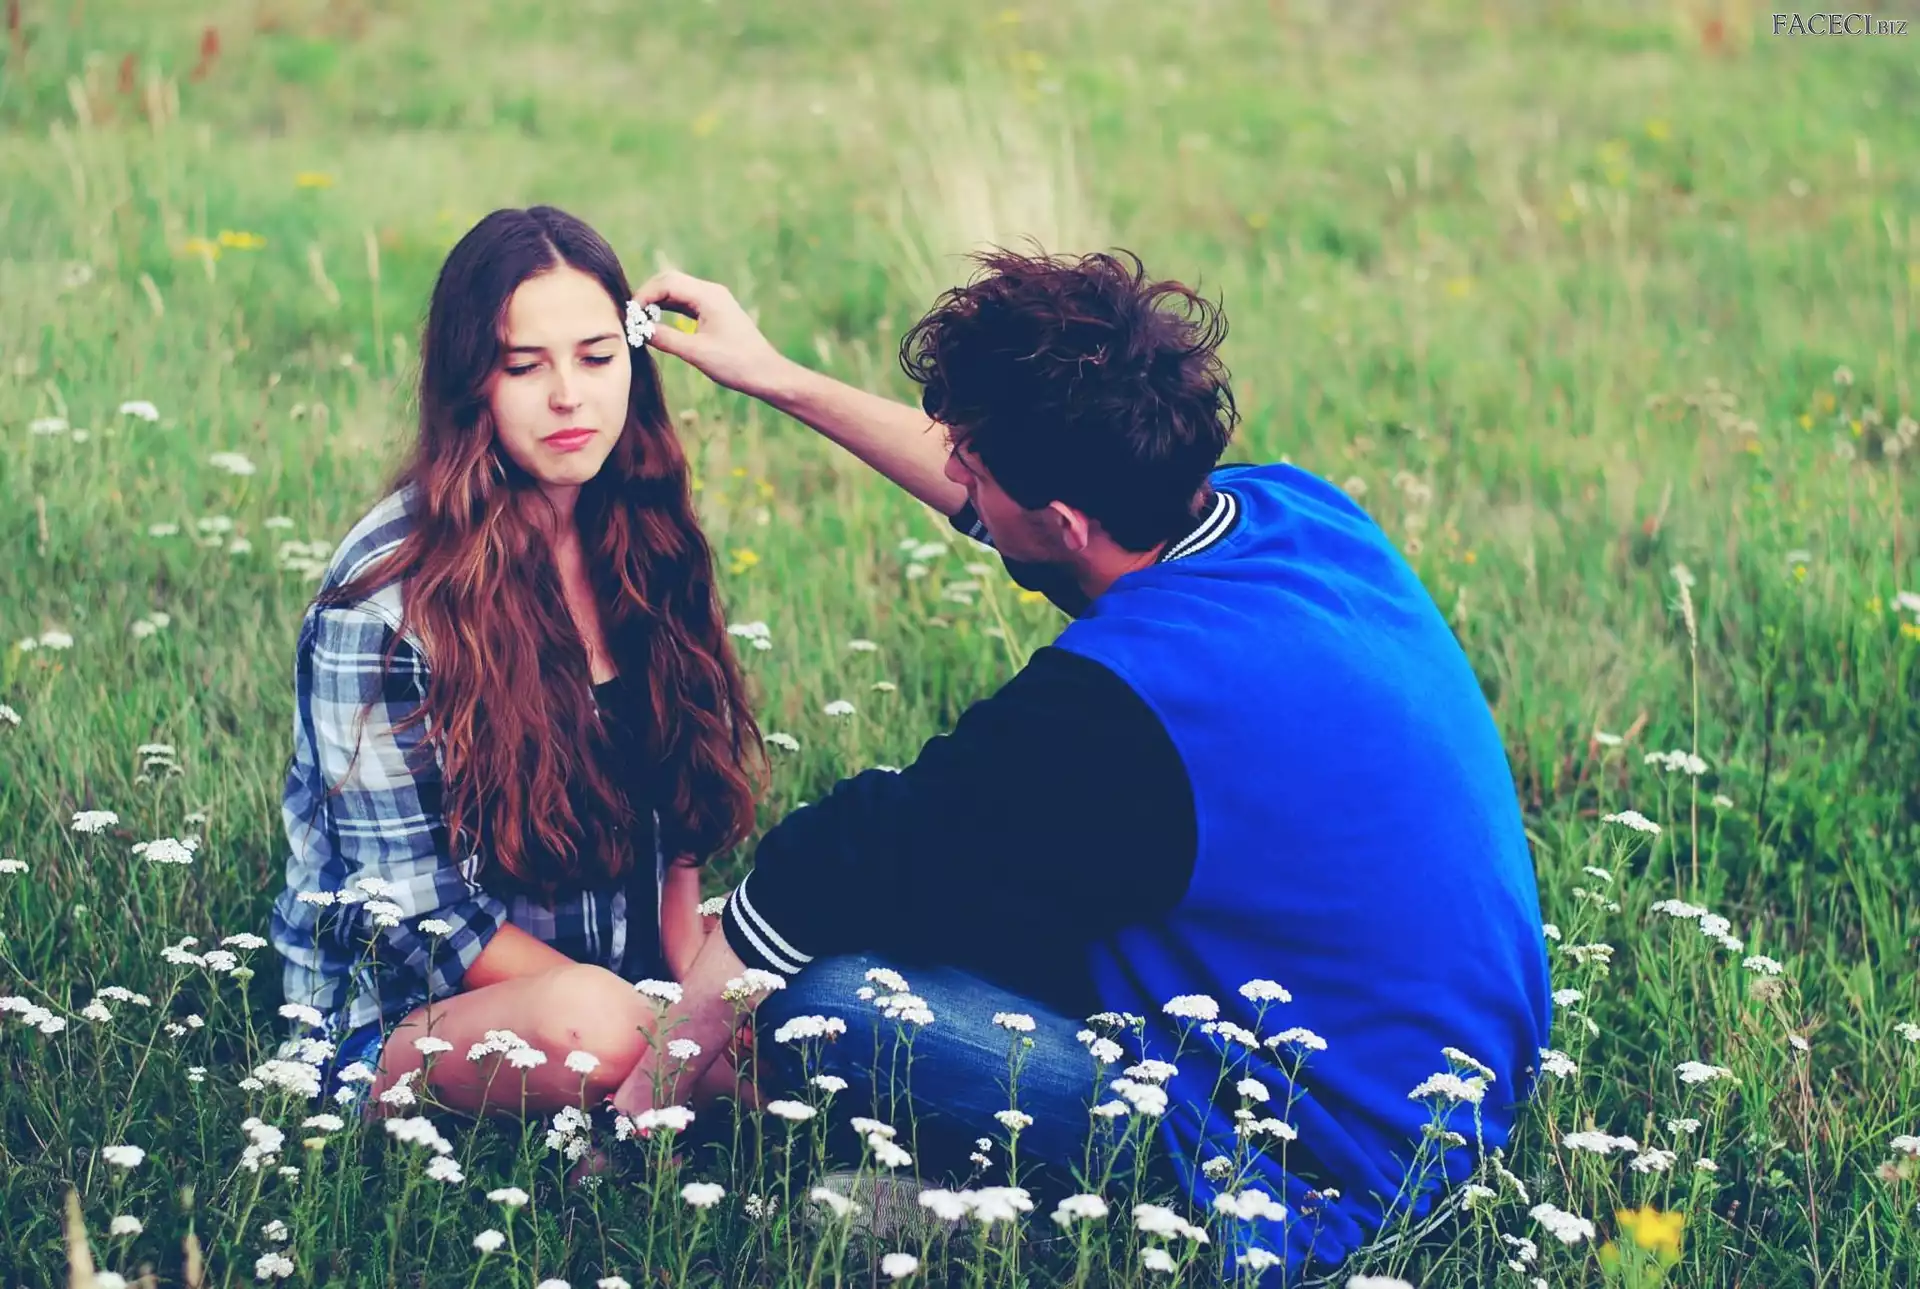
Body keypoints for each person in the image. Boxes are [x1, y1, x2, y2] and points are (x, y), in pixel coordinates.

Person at [610, 249, 1552, 1279]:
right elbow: (1025, 507)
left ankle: (1034, 1223)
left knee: (820, 999)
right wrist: (775, 375)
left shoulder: (1120, 709)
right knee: (939, 904)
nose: (956, 476)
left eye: (972, 465)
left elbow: (840, 858)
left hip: (1315, 1151)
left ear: (1061, 521)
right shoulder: (1290, 512)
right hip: (1456, 1074)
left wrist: (646, 1096)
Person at [270, 206, 768, 1117]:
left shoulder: (641, 525)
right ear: (473, 386)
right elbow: (423, 919)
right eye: (524, 366)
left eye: (596, 357)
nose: (569, 396)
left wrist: (689, 977)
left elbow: (679, 819)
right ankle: (740, 1101)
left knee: (805, 973)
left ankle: (705, 1088)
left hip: (615, 974)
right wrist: (678, 1029)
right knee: (594, 1024)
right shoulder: (383, 604)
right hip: (413, 1014)